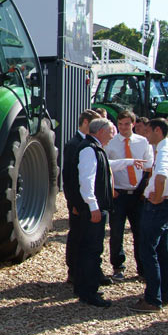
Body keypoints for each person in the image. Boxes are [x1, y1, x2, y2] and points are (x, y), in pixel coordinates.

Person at [130, 118, 168, 313]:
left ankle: (152, 299)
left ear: (158, 131)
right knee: (162, 251)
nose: (146, 135)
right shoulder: (167, 148)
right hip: (164, 205)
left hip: (157, 207)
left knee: (148, 251)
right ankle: (165, 293)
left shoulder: (164, 151)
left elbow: (161, 177)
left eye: (148, 131)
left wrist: (158, 197)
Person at [104, 110, 153, 281]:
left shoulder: (142, 142)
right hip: (119, 193)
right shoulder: (111, 143)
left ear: (133, 124)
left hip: (138, 194)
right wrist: (111, 189)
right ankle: (118, 266)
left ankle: (142, 267)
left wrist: (145, 189)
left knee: (140, 232)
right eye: (120, 124)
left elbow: (149, 165)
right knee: (116, 232)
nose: (123, 128)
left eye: (126, 124)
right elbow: (105, 167)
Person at [72, 118, 114, 307]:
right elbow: (86, 181)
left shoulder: (94, 148)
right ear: (101, 131)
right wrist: (93, 206)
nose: (112, 135)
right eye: (111, 131)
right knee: (91, 250)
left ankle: (83, 288)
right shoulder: (89, 150)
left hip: (92, 208)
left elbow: (105, 167)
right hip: (92, 210)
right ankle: (89, 292)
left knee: (87, 249)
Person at [63, 108, 100, 284]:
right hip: (79, 201)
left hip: (85, 199)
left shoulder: (86, 143)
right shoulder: (74, 144)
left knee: (87, 237)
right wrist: (73, 203)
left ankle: (88, 271)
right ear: (85, 122)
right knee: (77, 236)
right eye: (94, 124)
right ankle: (73, 271)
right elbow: (69, 177)